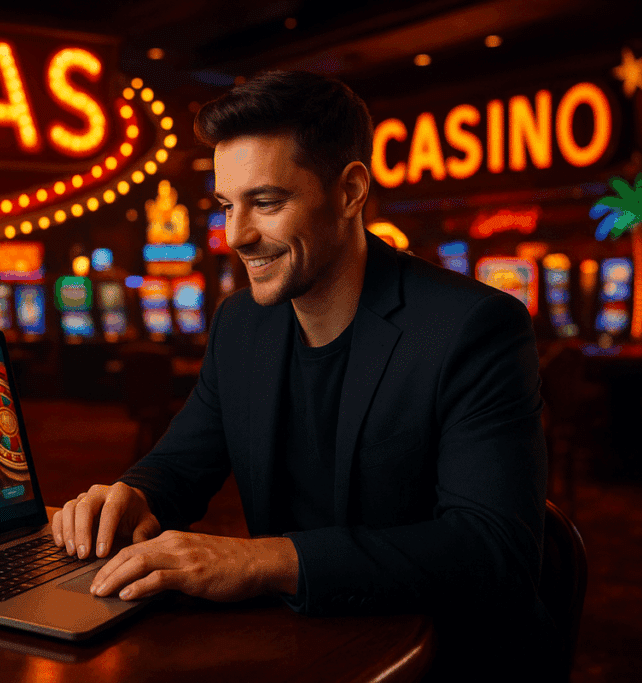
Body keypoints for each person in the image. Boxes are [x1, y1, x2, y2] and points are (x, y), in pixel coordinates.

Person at [52, 71, 556, 679]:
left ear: (348, 192)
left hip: (446, 657)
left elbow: (492, 550)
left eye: (266, 203)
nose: (236, 235)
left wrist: (263, 561)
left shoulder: (473, 326)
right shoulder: (241, 324)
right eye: (226, 206)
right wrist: (130, 495)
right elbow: (180, 464)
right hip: (302, 644)